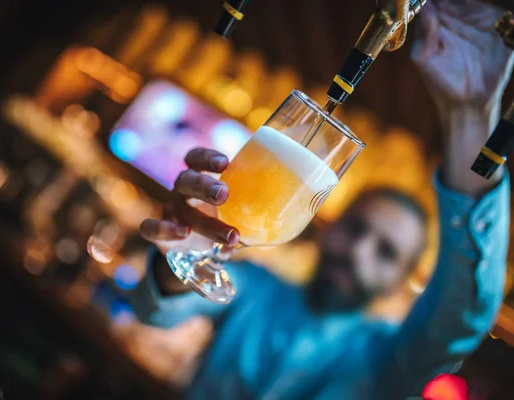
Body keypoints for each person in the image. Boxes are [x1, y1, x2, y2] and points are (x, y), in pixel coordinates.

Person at [130, 0, 514, 398]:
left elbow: (462, 318)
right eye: (355, 227)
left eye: (386, 252)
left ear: (400, 281)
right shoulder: (258, 288)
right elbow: (152, 309)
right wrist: (180, 257)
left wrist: (470, 118)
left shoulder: (391, 359)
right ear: (326, 222)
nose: (359, 250)